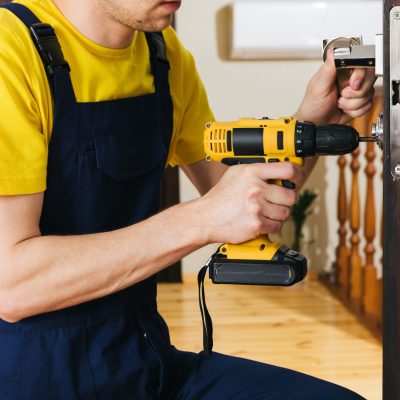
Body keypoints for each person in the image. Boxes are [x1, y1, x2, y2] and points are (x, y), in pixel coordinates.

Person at [0, 0, 375, 398]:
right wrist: (200, 220)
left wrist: (312, 123)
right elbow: (12, 286)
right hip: (37, 378)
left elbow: (239, 198)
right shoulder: (11, 49)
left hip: (144, 362)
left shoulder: (161, 52)